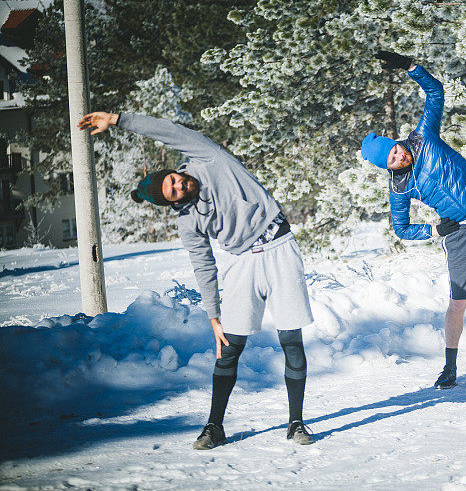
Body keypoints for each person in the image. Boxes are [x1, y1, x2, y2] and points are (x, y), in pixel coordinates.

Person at [78, 111, 316, 448]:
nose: (179, 185)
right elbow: (203, 266)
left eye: (174, 179)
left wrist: (118, 120)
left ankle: (296, 423)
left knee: (291, 339)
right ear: (173, 202)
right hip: (242, 261)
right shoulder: (188, 221)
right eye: (173, 192)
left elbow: (167, 131)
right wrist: (214, 317)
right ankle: (214, 427)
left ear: (174, 172)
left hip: (279, 245)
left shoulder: (208, 158)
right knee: (228, 347)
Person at [361, 51, 466, 389]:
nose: (398, 155)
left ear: (396, 142)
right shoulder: (399, 188)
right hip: (459, 232)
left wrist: (411, 67)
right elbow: (402, 229)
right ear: (387, 167)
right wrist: (436, 229)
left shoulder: (424, 137)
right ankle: (450, 367)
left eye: (395, 149)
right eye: (392, 159)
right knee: (458, 302)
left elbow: (436, 92)